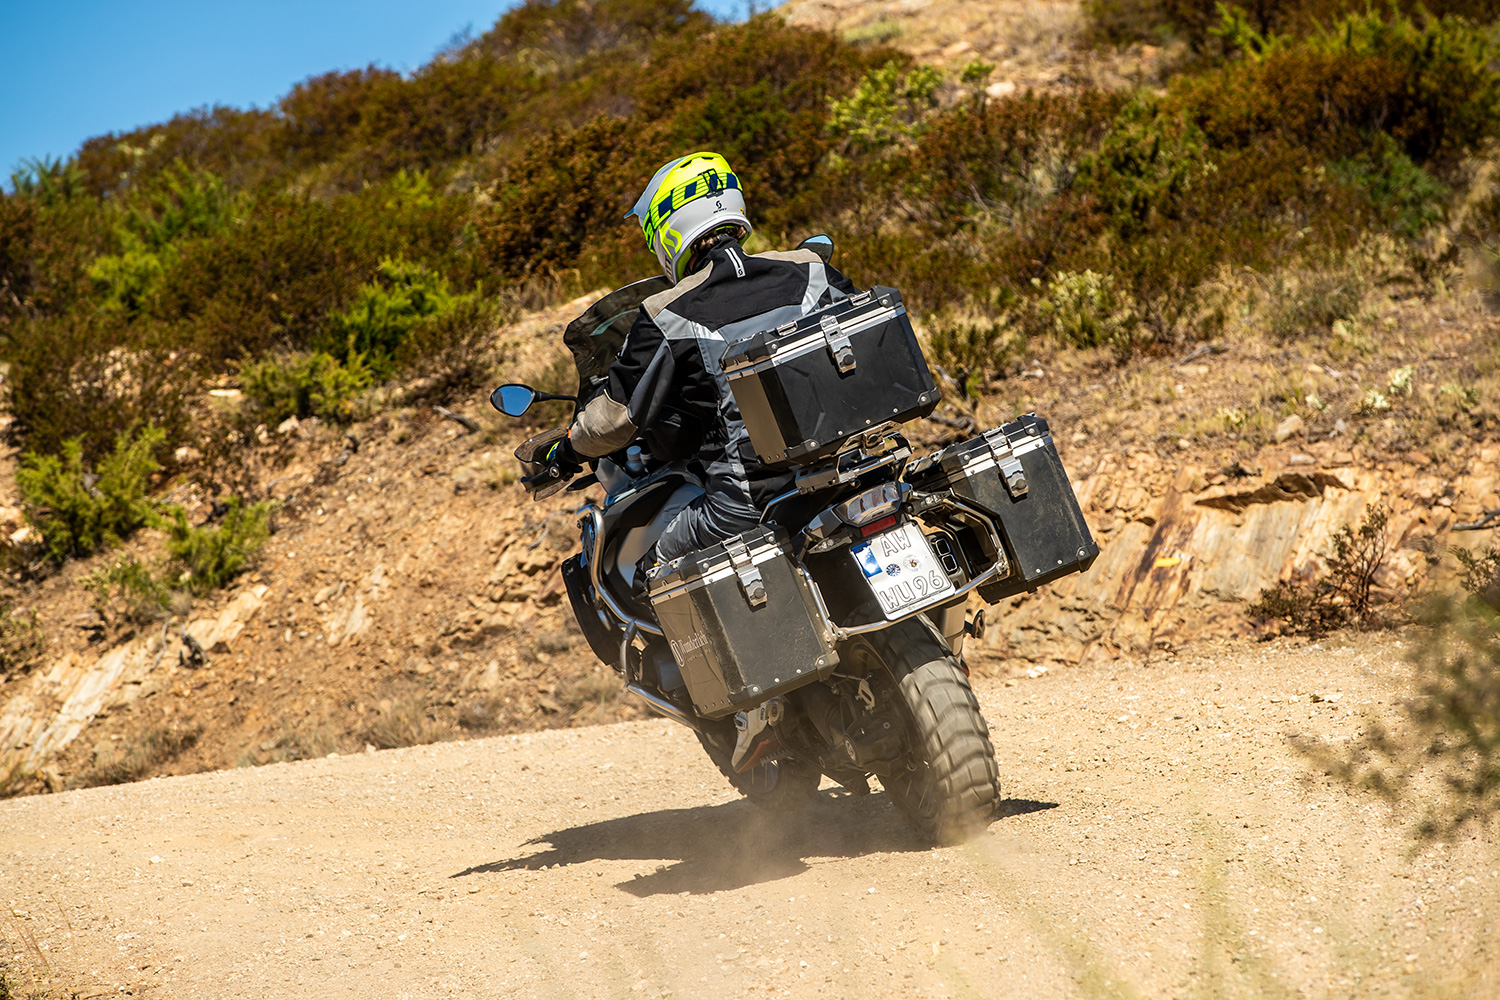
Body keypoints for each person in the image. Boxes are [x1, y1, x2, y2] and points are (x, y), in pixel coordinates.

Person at [552, 150, 860, 571]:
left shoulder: (668, 313)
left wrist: (567, 450)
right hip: (855, 468)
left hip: (751, 503)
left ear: (667, 232)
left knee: (646, 574)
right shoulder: (812, 270)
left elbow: (613, 421)